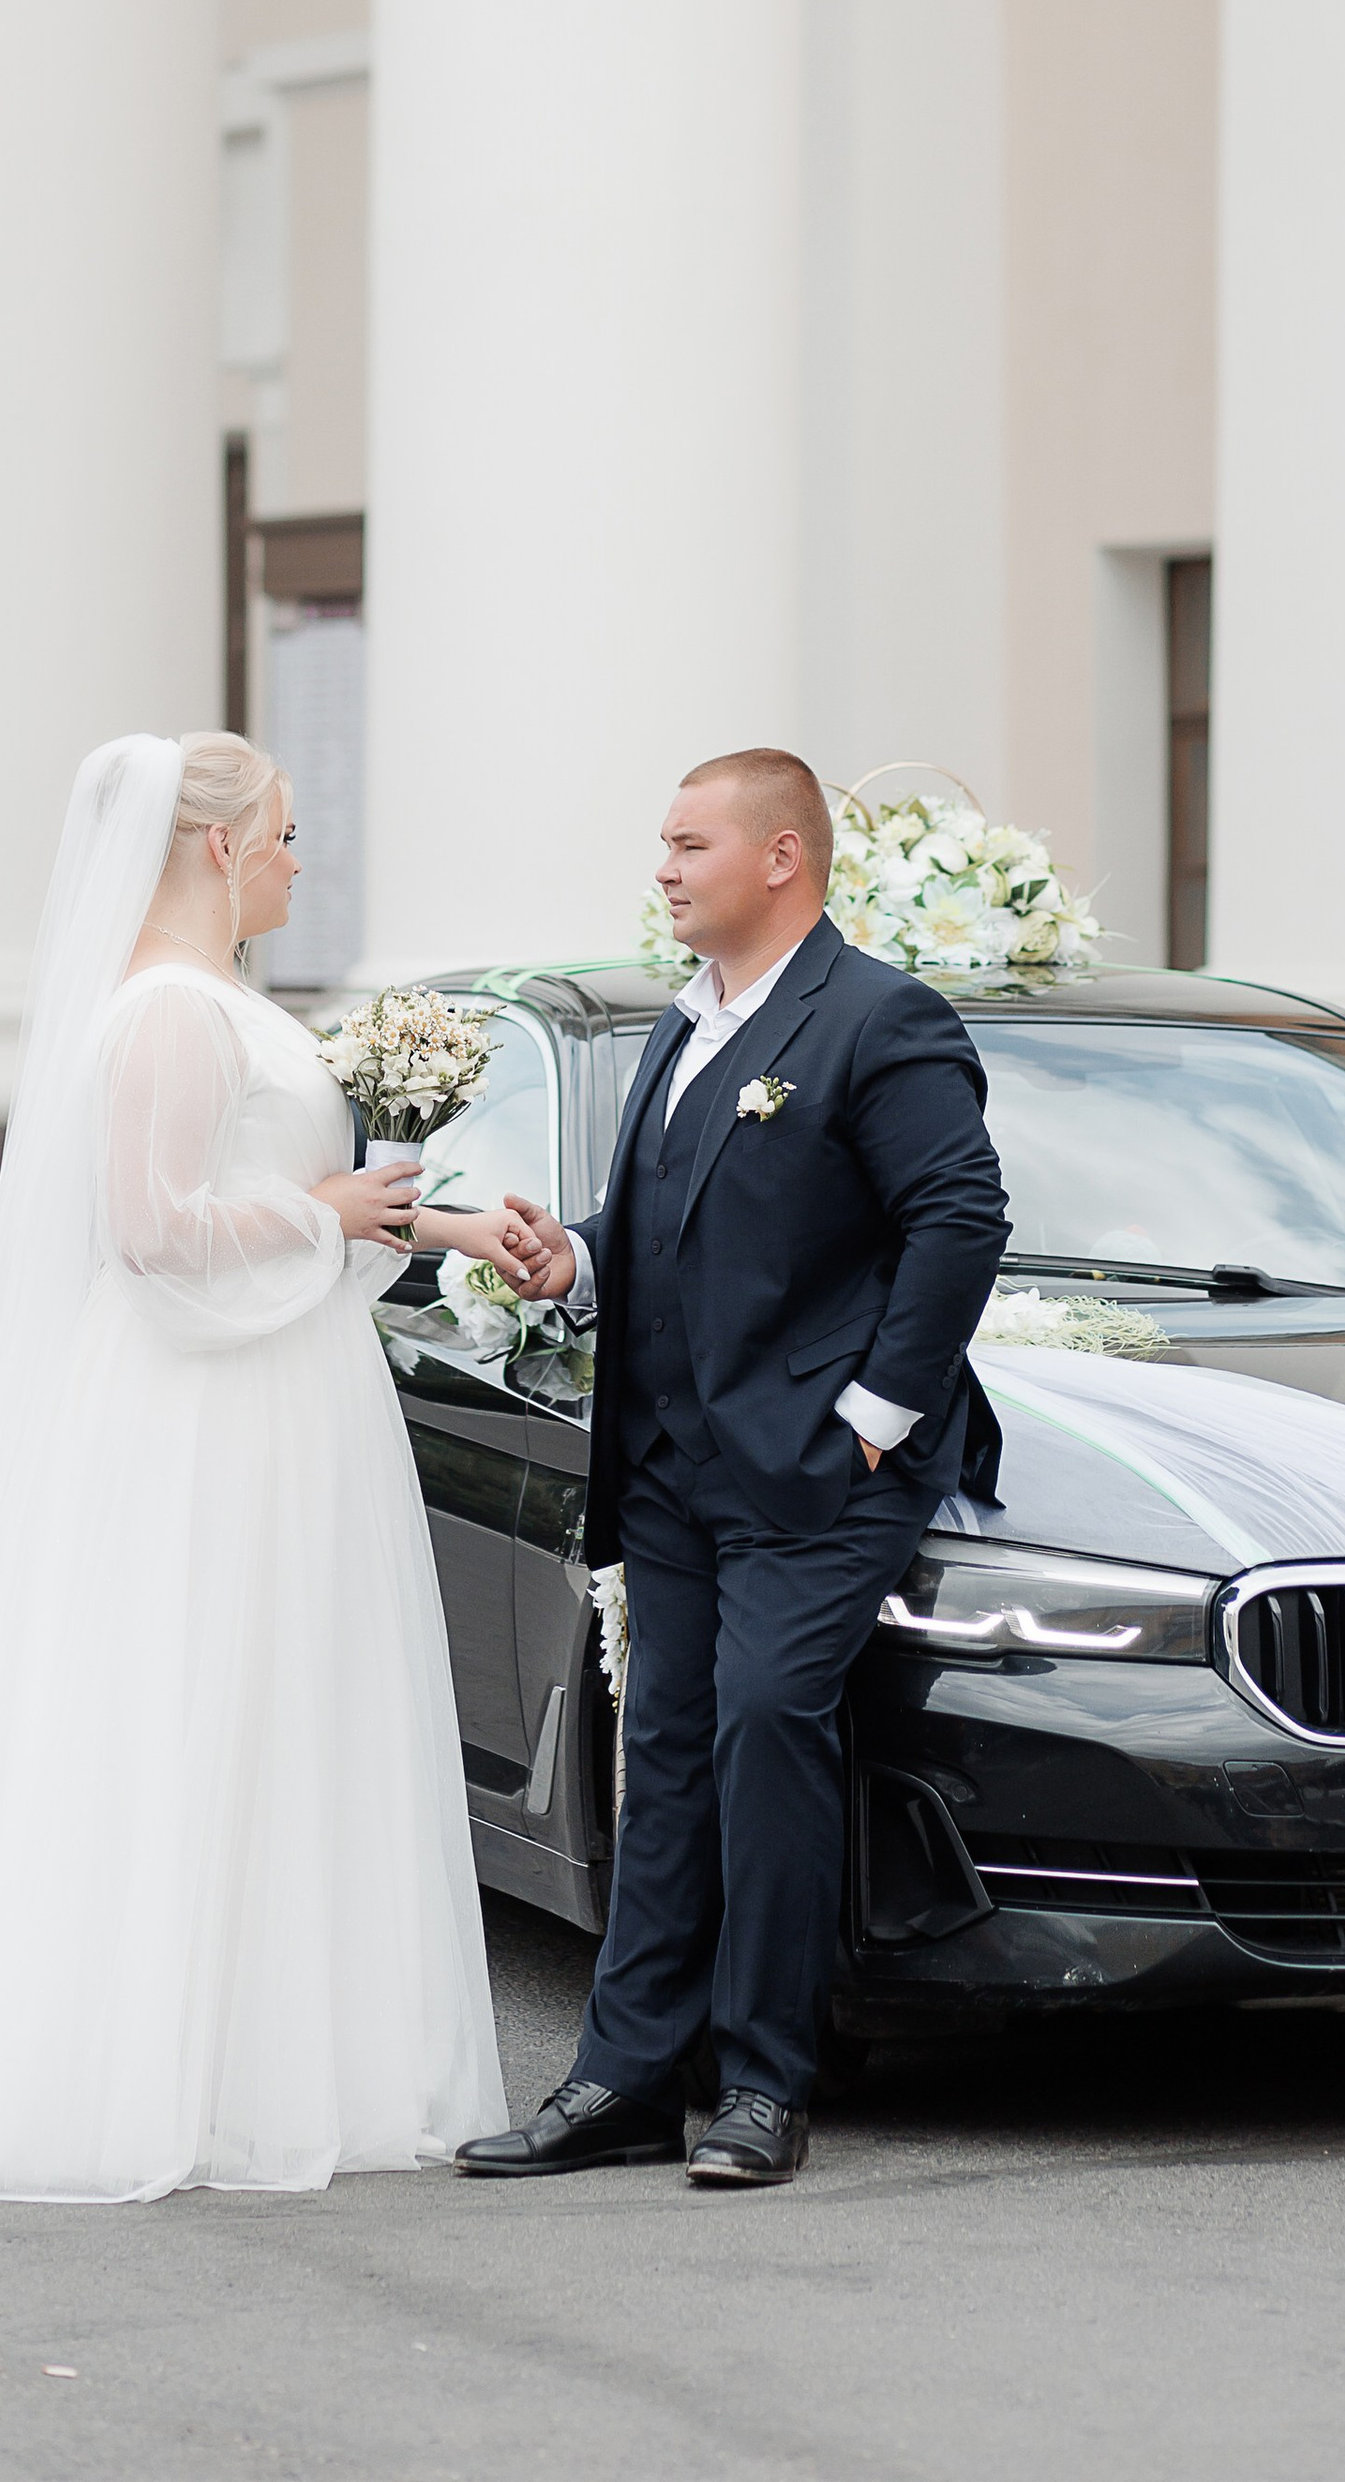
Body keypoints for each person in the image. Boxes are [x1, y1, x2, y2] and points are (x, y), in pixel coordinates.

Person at [0, 731, 539, 2201]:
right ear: (217, 846)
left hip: (274, 1385)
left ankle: (261, 2060)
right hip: (210, 1409)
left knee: (273, 1706)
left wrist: (440, 1227)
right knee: (191, 1698)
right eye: (285, 832)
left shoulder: (218, 1004)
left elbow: (271, 1198)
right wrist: (322, 1206)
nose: (297, 859)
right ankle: (148, 2074)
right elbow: (153, 1229)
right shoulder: (165, 1015)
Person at [455, 748, 1008, 2190]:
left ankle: (764, 2080)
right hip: (674, 1468)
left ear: (780, 859)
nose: (664, 867)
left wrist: (877, 1419)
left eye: (689, 843)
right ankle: (628, 2077)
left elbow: (959, 1219)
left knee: (772, 1731)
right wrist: (569, 1255)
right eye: (663, 843)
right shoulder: (681, 1028)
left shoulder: (883, 1020)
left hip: (819, 1475)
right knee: (670, 1755)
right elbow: (674, 1219)